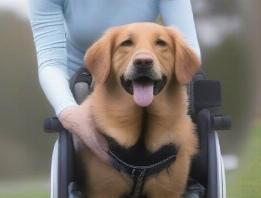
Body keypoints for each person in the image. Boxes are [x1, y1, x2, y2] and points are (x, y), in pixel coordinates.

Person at [28, 0, 201, 163]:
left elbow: (188, 47)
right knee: (79, 93)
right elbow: (51, 63)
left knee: (196, 89)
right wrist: (69, 112)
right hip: (82, 79)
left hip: (148, 74)